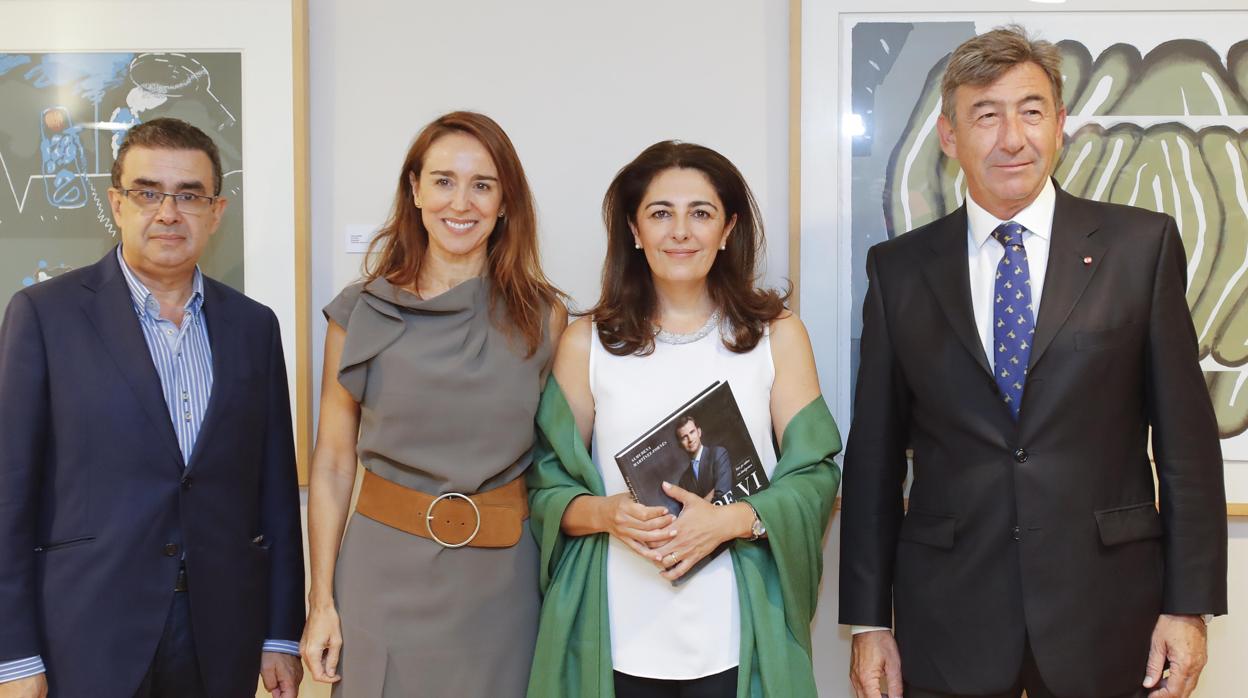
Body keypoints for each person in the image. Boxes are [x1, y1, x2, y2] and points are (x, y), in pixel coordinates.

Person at [839, 26, 1227, 698]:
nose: (1011, 137)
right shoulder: (899, 272)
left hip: (1108, 610)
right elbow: (872, 457)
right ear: (948, 136)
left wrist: (1187, 605)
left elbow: (1187, 446)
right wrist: (869, 621)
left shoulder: (1140, 248)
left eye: (1031, 111)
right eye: (985, 115)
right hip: (948, 616)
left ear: (1061, 125)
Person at [0, 118, 305, 698]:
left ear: (216, 212)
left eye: (189, 195)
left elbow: (275, 491)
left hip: (220, 634)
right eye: (148, 192)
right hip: (87, 633)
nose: (169, 212)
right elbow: (9, 495)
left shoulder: (253, 326)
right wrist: (13, 656)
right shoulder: (44, 316)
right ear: (117, 204)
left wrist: (280, 636)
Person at [527, 140, 842, 697]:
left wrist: (733, 520)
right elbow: (546, 486)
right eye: (660, 213)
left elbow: (815, 474)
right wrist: (606, 512)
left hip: (741, 630)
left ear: (727, 231)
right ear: (633, 230)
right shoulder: (585, 344)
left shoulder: (776, 336)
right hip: (613, 629)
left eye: (700, 213)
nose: (680, 231)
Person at [299, 111, 566, 697]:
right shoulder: (358, 313)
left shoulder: (544, 318)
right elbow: (334, 462)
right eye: (443, 180)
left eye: (482, 184)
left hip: (501, 586)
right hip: (380, 576)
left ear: (504, 203)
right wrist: (321, 600)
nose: (461, 202)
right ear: (415, 190)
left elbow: (562, 461)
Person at [673, 414, 732, 501]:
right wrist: (713, 491)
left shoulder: (718, 453)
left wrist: (698, 505)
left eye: (692, 432)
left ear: (699, 432)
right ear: (680, 445)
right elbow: (691, 511)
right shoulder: (683, 481)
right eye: (684, 437)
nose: (690, 439)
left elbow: (722, 493)